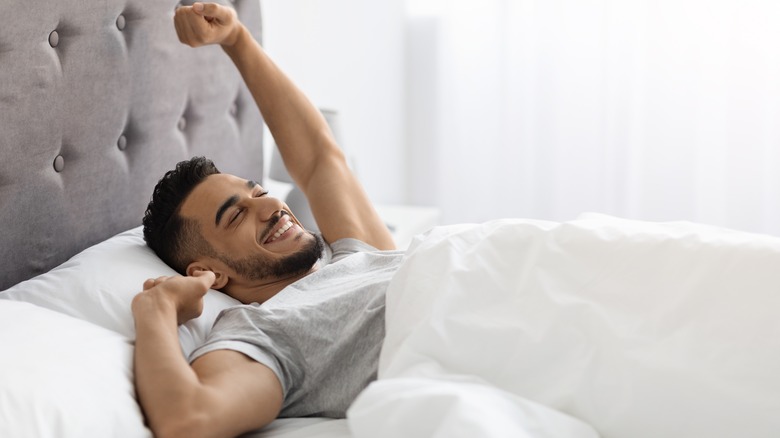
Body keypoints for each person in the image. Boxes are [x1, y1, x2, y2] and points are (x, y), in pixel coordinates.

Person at [132, 3, 401, 437]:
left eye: (257, 191)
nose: (270, 206)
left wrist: (237, 39)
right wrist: (157, 310)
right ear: (208, 273)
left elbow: (318, 159)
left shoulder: (355, 256)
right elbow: (189, 420)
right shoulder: (265, 333)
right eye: (237, 214)